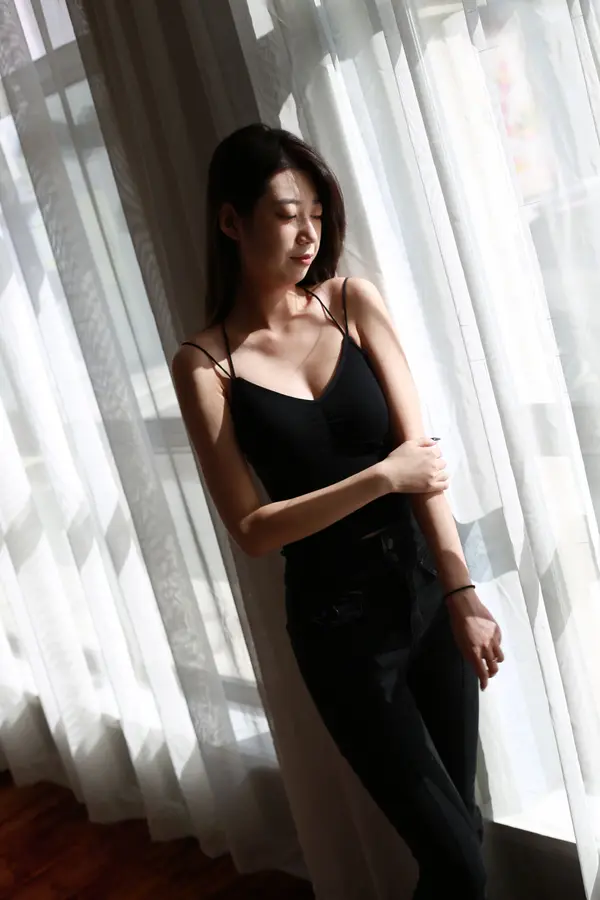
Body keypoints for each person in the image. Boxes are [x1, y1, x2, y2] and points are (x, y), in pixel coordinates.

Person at [171, 123, 504, 899]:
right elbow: (253, 530)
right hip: (340, 630)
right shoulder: (206, 365)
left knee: (462, 839)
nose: (309, 234)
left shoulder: (352, 303)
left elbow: (424, 466)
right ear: (231, 221)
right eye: (288, 214)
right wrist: (379, 478)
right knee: (457, 860)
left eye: (318, 214)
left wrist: (461, 591)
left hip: (427, 593)